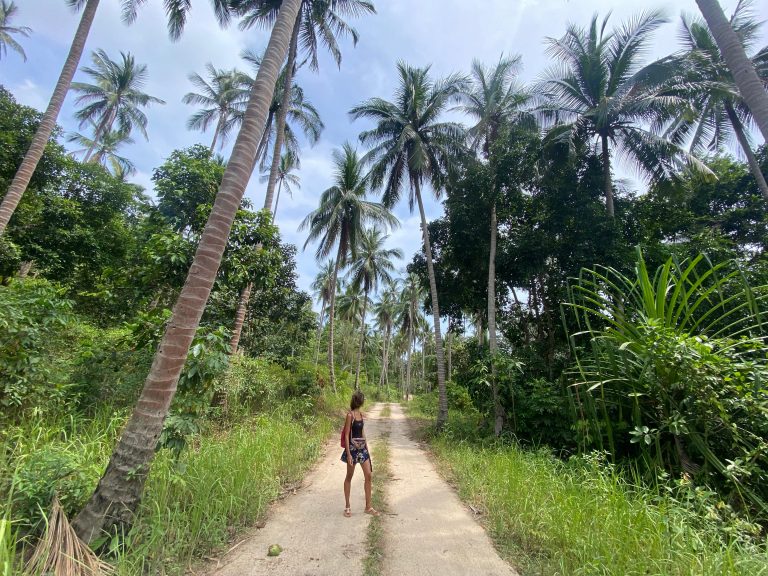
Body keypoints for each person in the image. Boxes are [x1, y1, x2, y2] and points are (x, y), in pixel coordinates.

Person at [341, 390, 379, 517]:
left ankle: (368, 507)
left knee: (368, 475)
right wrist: (349, 454)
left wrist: (367, 450)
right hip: (352, 450)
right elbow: (346, 435)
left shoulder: (361, 415)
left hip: (362, 450)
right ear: (359, 401)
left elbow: (362, 433)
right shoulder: (350, 416)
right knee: (349, 477)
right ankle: (347, 507)